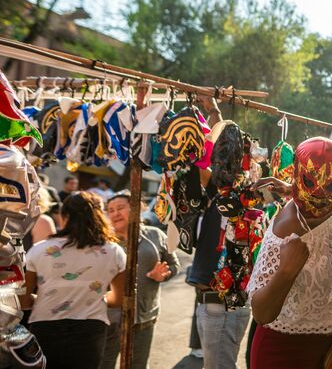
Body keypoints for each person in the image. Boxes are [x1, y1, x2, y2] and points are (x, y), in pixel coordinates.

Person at [247, 137, 332, 369]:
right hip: (282, 351)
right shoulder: (287, 225)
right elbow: (260, 312)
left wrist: (292, 187)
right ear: (298, 172)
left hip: (330, 348)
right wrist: (286, 272)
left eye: (329, 185)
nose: (318, 194)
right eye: (309, 181)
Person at [21, 192, 126, 368]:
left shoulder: (39, 250)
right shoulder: (113, 252)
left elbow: (23, 300)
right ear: (100, 217)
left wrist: (50, 298)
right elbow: (118, 299)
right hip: (91, 329)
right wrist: (91, 297)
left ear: (64, 217)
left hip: (45, 327)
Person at [186, 96, 251, 369]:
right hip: (219, 300)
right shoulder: (232, 191)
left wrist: (213, 111)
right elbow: (219, 144)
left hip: (220, 303)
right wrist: (212, 110)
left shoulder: (231, 192)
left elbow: (214, 156)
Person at [100, 190, 179, 369]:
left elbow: (174, 264)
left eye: (120, 208)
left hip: (144, 316)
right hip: (110, 318)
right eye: (110, 210)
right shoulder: (104, 241)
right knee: (104, 363)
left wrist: (163, 275)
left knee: (138, 365)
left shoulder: (155, 235)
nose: (115, 213)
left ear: (136, 208)